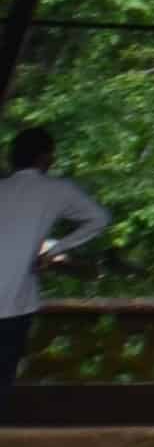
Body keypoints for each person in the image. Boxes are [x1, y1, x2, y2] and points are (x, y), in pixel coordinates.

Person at [0, 126, 112, 391]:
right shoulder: (56, 190)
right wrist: (52, 252)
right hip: (15, 305)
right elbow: (99, 219)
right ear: (44, 158)